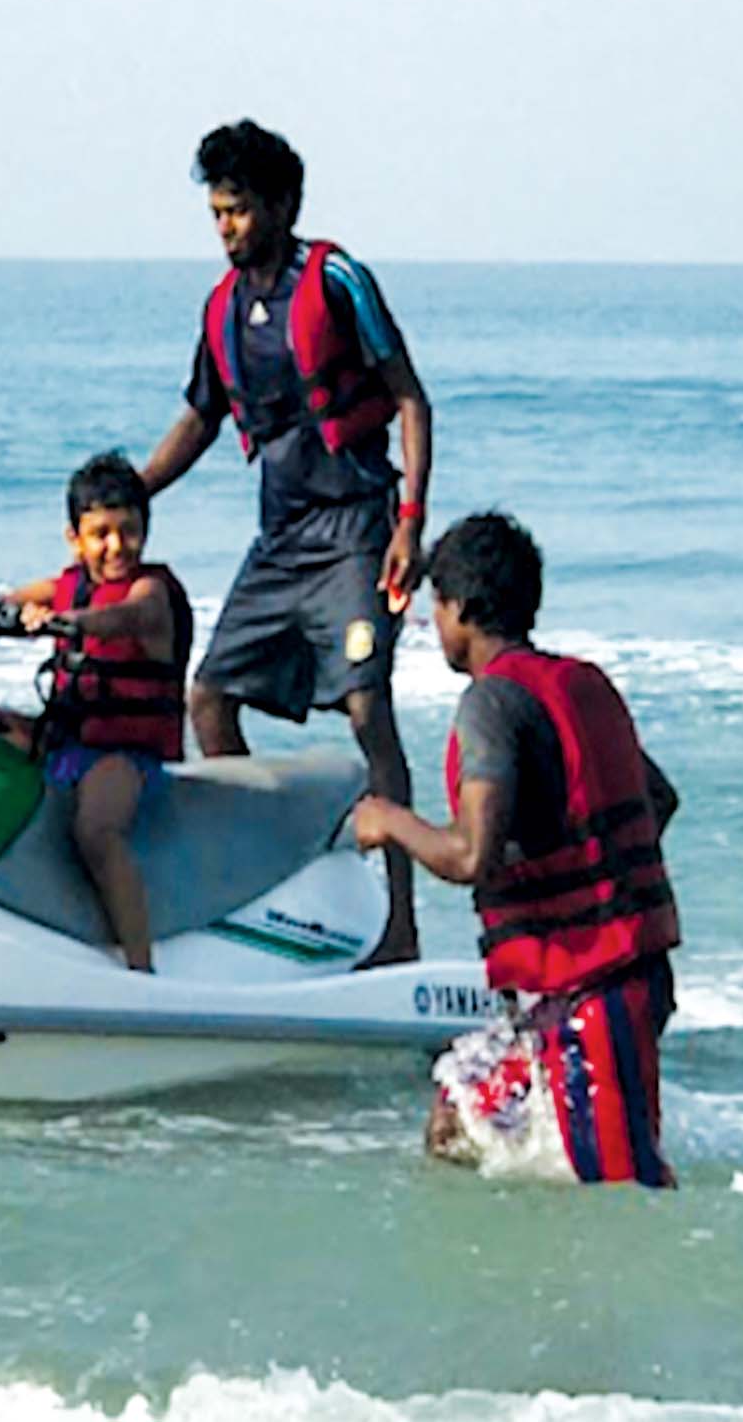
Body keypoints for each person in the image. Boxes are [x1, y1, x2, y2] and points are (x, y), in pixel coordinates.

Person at [140, 118, 432, 966]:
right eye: (216, 213)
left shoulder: (337, 280)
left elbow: (410, 399)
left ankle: (400, 927)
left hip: (356, 531)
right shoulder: (223, 308)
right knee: (208, 698)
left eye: (237, 211)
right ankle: (262, 886)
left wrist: (411, 522)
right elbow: (202, 415)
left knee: (367, 709)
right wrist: (137, 490)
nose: (226, 227)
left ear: (282, 205)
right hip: (281, 540)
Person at [352, 513, 683, 1187]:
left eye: (436, 606)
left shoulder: (490, 706)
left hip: (597, 992)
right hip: (572, 988)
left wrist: (387, 819)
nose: (433, 623)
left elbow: (469, 856)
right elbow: (659, 799)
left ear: (463, 610)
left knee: (623, 1191)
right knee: (455, 1122)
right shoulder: (578, 685)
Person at [5, 452, 194, 973]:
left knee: (96, 830)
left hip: (125, 756)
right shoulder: (66, 583)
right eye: (101, 533)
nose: (115, 546)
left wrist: (67, 623)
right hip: (67, 740)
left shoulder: (149, 591)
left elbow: (126, 617)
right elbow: (5, 600)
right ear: (75, 538)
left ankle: (140, 965)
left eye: (128, 531)